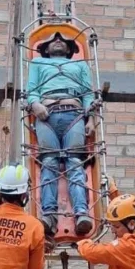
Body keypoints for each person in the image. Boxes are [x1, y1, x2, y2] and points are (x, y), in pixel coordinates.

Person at [27, 32, 96, 238]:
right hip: (46, 114)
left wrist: (90, 119)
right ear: (45, 49)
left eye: (63, 40)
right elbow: (31, 90)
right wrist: (35, 104)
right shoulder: (37, 63)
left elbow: (88, 94)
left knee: (75, 163)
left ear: (69, 49)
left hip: (74, 114)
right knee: (49, 163)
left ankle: (81, 214)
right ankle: (48, 215)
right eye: (52, 40)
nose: (57, 41)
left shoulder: (80, 65)